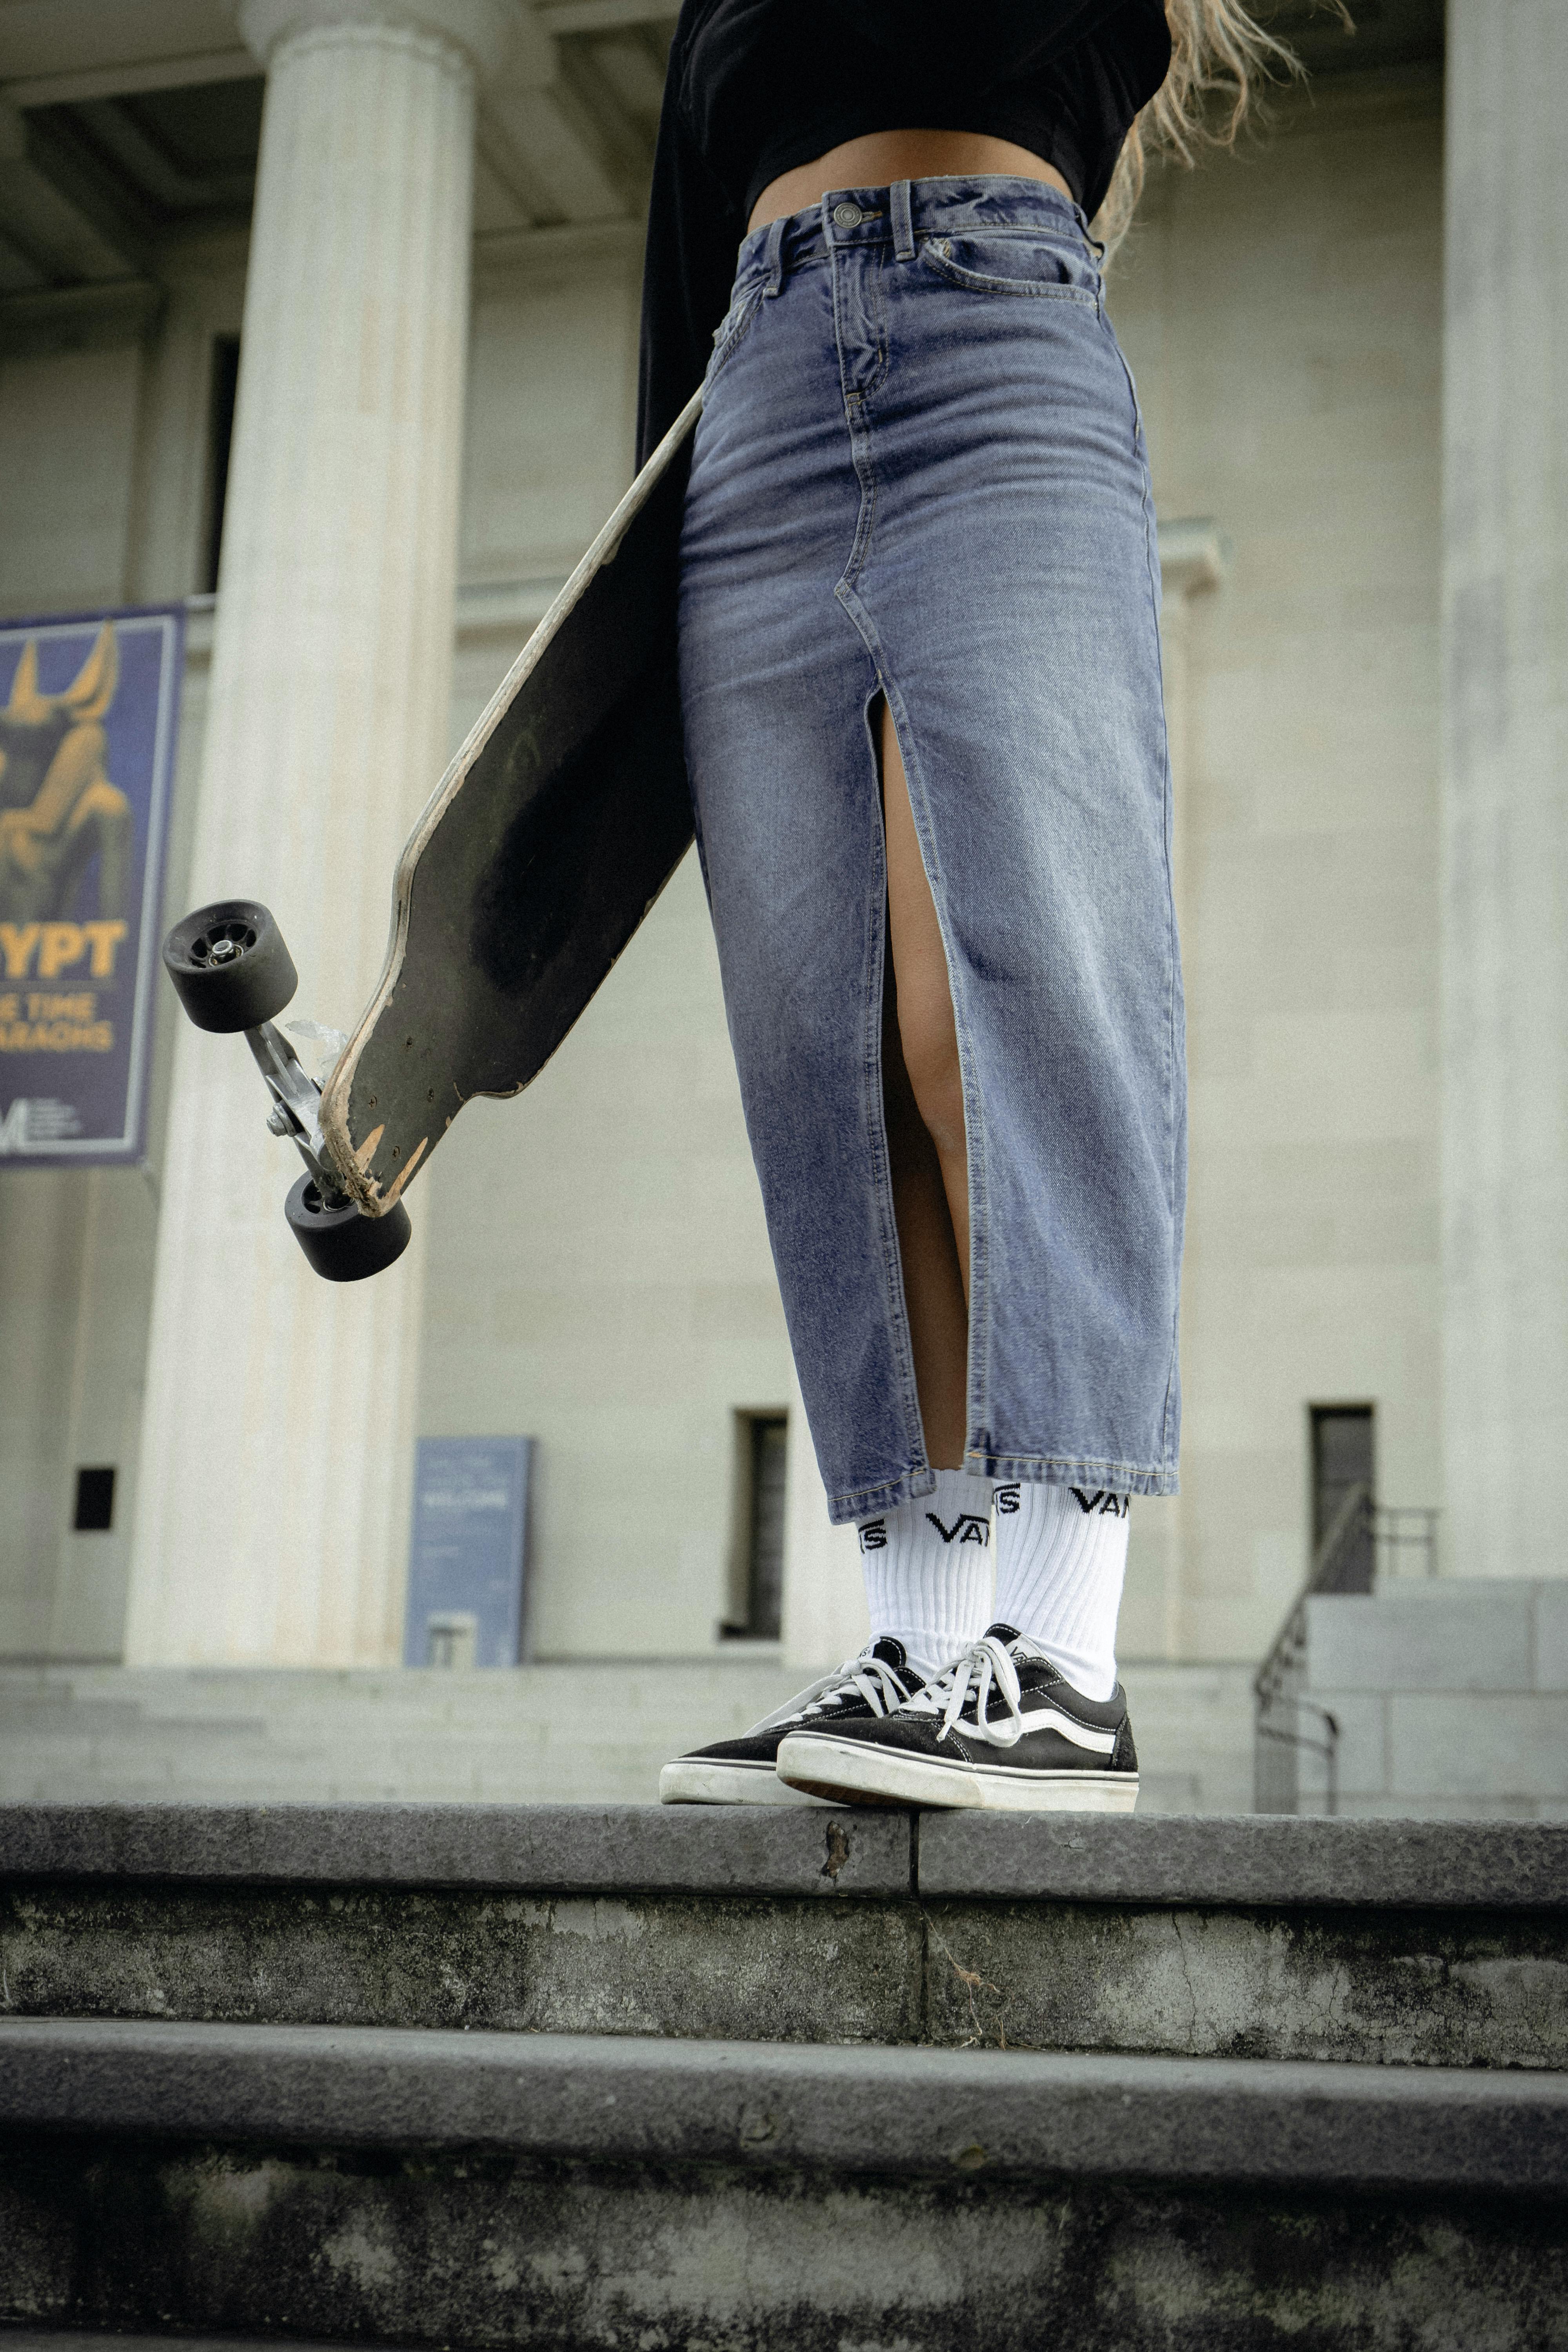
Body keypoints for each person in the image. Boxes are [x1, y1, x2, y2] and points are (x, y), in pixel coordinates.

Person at [652, 0, 1295, 1812]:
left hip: (992, 345)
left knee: (1003, 995)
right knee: (825, 1041)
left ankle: (1062, 1660)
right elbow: (669, 259)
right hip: (751, 403)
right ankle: (926, 1644)